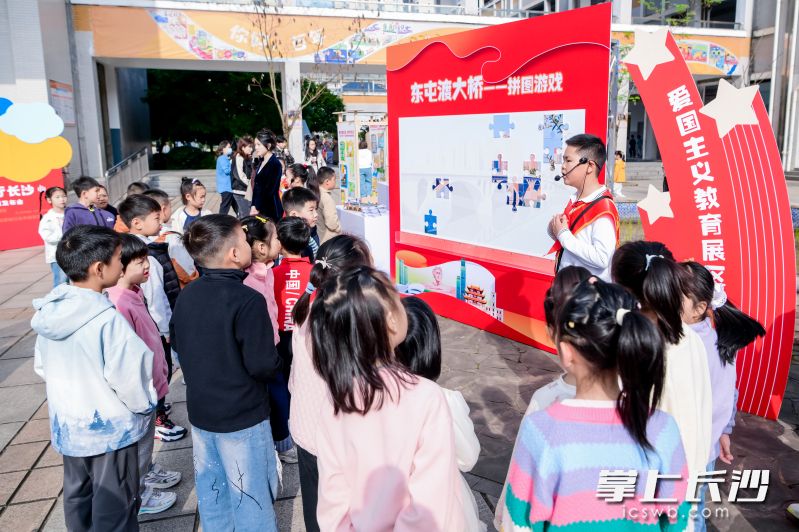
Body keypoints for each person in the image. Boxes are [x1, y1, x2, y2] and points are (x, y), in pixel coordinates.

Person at [500, 279, 690, 531]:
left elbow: (517, 524)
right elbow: (678, 520)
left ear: (567, 352)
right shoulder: (664, 428)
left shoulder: (542, 432)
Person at [311, 265, 467, 530]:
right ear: (392, 321)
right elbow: (430, 502)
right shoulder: (426, 396)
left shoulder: (336, 398)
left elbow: (332, 496)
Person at [32, 225, 157, 531]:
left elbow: (42, 366)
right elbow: (130, 379)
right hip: (109, 432)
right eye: (118, 258)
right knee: (115, 506)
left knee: (79, 499)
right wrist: (144, 406)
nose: (122, 263)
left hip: (70, 427)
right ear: (99, 269)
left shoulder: (52, 311)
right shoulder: (106, 319)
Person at [170, 214, 282, 531]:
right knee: (251, 494)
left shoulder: (187, 295)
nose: (249, 245)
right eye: (244, 241)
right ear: (234, 254)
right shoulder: (248, 300)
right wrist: (278, 365)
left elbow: (178, 344)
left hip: (203, 413)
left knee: (214, 490)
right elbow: (262, 364)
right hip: (243, 415)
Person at [612, 242, 713, 490]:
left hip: (635, 489)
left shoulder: (620, 340)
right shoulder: (691, 339)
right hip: (684, 481)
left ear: (621, 287)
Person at [288, 235, 372, 532]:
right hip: (336, 435)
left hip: (303, 425)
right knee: (344, 511)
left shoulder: (306, 307)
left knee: (315, 506)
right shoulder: (347, 321)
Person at [680, 261, 765, 531]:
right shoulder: (718, 339)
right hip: (707, 447)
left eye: (674, 294)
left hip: (683, 451)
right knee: (694, 510)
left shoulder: (684, 344)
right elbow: (729, 390)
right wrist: (725, 430)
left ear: (700, 307)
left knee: (684, 516)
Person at [105, 234, 184, 516]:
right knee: (138, 445)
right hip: (139, 388)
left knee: (145, 441)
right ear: (120, 267)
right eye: (140, 262)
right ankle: (138, 496)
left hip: (150, 382)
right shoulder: (119, 302)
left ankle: (146, 472)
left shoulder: (134, 293)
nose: (147, 266)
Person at [395, 297, 484, 532]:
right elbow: (468, 458)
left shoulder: (378, 398)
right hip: (441, 506)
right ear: (432, 345)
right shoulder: (444, 400)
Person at [119, 195, 185, 443]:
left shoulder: (133, 249)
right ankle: (158, 420)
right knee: (158, 371)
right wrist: (166, 330)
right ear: (136, 223)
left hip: (150, 328)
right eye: (156, 219)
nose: (160, 223)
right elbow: (156, 300)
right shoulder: (143, 258)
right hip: (155, 330)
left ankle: (157, 409)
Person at [241, 215, 294, 463]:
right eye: (275, 238)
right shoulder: (248, 281)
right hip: (263, 350)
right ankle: (282, 442)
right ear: (261, 247)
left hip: (273, 343)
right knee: (277, 394)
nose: (280, 241)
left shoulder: (266, 270)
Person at [547, 134, 619, 281]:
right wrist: (554, 228)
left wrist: (563, 235)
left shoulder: (603, 208)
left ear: (589, 166)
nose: (563, 166)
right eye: (563, 160)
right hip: (571, 292)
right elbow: (569, 236)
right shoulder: (576, 198)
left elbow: (602, 257)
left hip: (590, 298)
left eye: (568, 160)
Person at [273, 217, 313, 386]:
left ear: (280, 243)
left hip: (281, 339)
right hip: (307, 336)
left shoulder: (272, 274)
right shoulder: (314, 273)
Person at [143, 189, 198, 288]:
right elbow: (187, 271)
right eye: (170, 207)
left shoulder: (136, 237)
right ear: (163, 209)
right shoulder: (172, 237)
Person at [38, 186, 69, 288]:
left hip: (73, 252)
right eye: (58, 197)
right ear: (49, 200)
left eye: (64, 196)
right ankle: (58, 301)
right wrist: (65, 235)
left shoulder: (70, 213)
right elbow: (47, 236)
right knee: (61, 281)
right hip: (57, 255)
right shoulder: (48, 218)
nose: (62, 199)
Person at [251, 129, 284, 221]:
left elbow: (269, 190)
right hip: (260, 208)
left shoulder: (275, 164)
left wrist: (257, 207)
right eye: (255, 145)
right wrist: (253, 205)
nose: (256, 148)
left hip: (271, 211)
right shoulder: (261, 161)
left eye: (258, 145)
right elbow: (257, 187)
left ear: (268, 146)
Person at [281, 187, 320, 259]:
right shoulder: (284, 240)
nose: (316, 214)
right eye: (311, 210)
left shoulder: (310, 235)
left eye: (315, 209)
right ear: (294, 215)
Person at [308, 166, 342, 244]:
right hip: (328, 239)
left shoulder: (315, 192)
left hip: (319, 235)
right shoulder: (326, 198)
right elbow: (332, 223)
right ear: (327, 181)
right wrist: (339, 229)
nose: (335, 182)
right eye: (334, 179)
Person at [231, 136, 254, 217]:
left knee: (245, 214)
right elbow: (240, 176)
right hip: (240, 191)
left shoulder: (247, 157)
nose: (252, 149)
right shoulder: (239, 157)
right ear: (243, 147)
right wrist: (251, 184)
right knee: (245, 215)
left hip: (246, 190)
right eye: (250, 147)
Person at [215, 140, 237, 217]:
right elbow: (227, 171)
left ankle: (240, 216)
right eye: (229, 147)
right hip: (226, 187)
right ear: (223, 148)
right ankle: (220, 221)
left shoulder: (224, 158)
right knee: (225, 207)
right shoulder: (222, 158)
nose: (230, 149)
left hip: (227, 187)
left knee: (234, 205)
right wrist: (232, 164)